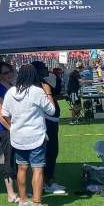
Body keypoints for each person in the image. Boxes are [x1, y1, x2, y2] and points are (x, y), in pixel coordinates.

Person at [1, 63, 57, 206]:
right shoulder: (37, 91)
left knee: (22, 168)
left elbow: (4, 113)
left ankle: (23, 201)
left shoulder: (11, 92)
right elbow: (52, 111)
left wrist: (14, 124)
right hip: (35, 135)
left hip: (18, 136)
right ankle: (36, 205)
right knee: (37, 169)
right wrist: (48, 93)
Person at [0, 61, 18, 204]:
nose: (10, 74)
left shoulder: (12, 86)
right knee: (9, 160)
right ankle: (11, 194)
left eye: (10, 71)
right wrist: (10, 128)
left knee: (17, 159)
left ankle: (19, 190)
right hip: (5, 130)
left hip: (15, 128)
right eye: (6, 72)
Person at [39, 63, 66, 195]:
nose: (47, 69)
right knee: (50, 152)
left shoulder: (44, 82)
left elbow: (54, 94)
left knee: (52, 151)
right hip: (47, 121)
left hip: (51, 120)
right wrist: (51, 94)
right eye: (43, 68)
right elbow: (48, 102)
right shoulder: (39, 86)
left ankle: (49, 180)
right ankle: (47, 183)